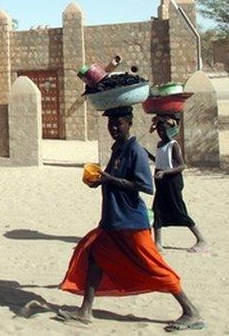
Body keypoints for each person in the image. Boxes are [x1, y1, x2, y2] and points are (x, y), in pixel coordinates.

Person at [56, 106, 204, 332]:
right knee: (94, 256)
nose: (114, 128)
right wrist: (99, 180)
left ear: (129, 123)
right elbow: (111, 176)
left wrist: (110, 179)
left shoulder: (134, 149)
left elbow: (145, 186)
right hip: (113, 219)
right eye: (111, 124)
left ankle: (190, 310)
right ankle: (85, 311)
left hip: (131, 222)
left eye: (119, 123)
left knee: (154, 265)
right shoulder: (119, 148)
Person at [150, 115, 209, 253]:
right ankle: (158, 243)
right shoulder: (160, 144)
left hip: (172, 181)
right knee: (157, 210)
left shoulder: (173, 145)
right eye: (159, 130)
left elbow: (182, 165)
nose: (161, 133)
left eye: (164, 130)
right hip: (160, 182)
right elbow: (160, 160)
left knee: (178, 209)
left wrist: (165, 172)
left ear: (171, 130)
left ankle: (201, 239)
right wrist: (147, 155)